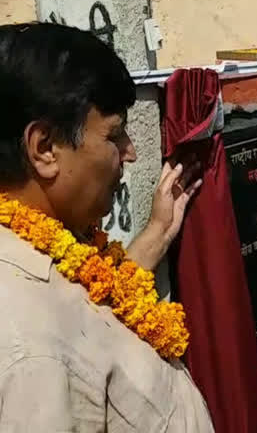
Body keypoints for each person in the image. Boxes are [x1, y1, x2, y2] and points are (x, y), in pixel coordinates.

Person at [0, 23, 212, 431]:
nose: (130, 153)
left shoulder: (50, 241)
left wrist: (156, 233)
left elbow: (89, 307)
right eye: (115, 135)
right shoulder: (28, 350)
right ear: (44, 148)